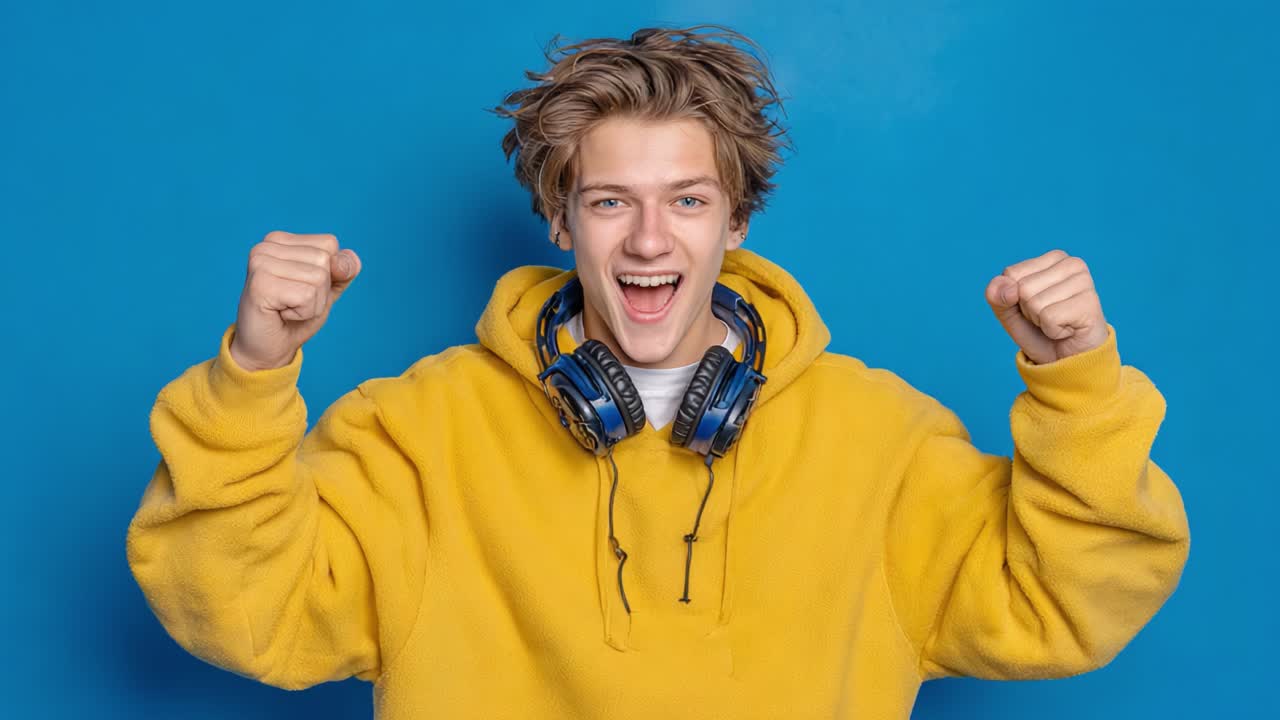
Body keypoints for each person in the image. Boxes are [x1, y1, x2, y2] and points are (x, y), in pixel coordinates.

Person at [125, 24, 1191, 719]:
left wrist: (1076, 383)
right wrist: (256, 369)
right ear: (559, 222)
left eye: (686, 200)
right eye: (608, 202)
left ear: (736, 221)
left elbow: (1063, 605)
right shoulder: (416, 431)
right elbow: (242, 608)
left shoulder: (884, 441)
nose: (647, 240)